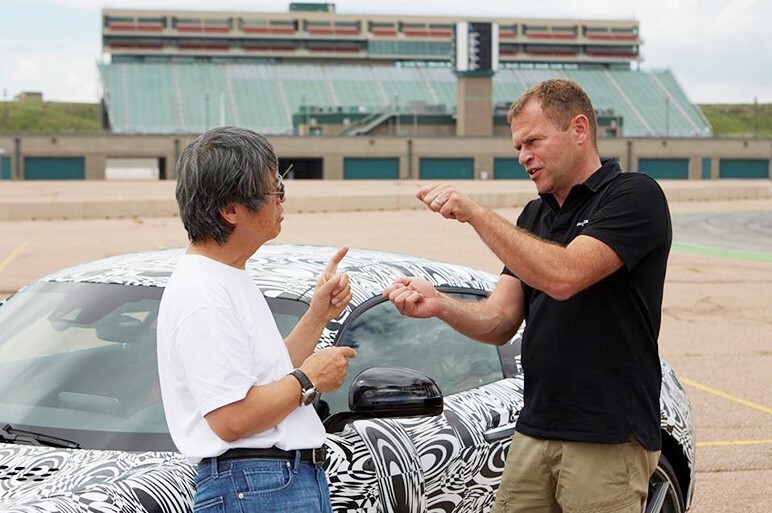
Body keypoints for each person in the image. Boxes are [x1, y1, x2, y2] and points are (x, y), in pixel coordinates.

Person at [384, 79, 671, 513]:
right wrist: (440, 304)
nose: (523, 156)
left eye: (533, 141)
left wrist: (476, 214)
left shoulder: (633, 195)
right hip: (537, 427)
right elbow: (500, 320)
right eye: (518, 146)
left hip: (608, 434)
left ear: (579, 129)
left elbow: (565, 276)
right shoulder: (535, 214)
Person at [157, 126, 356, 513]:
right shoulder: (204, 293)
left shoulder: (225, 276)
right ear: (231, 210)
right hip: (256, 486)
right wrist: (309, 380)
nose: (282, 200)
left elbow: (266, 378)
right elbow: (231, 418)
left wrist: (318, 315)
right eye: (274, 190)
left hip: (269, 483)